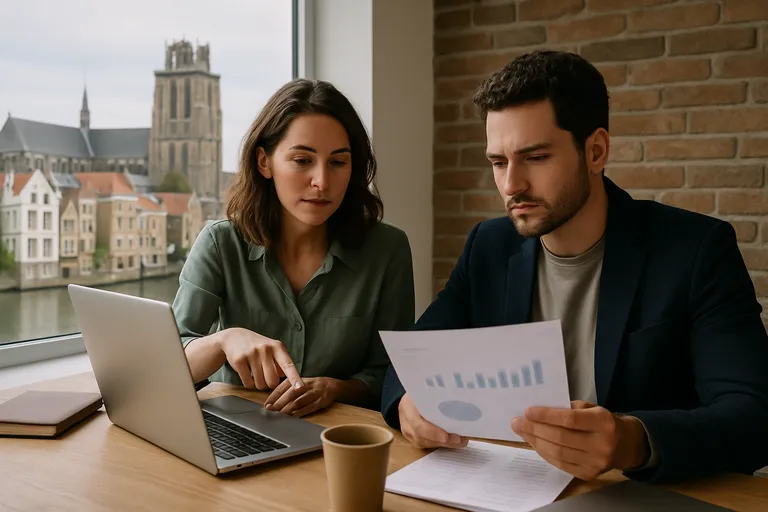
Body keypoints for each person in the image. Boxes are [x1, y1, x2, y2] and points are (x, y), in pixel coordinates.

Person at [381, 50, 768, 484]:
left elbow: (753, 418)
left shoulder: (696, 250)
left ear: (596, 150)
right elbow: (411, 356)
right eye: (498, 162)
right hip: (508, 487)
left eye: (536, 157)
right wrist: (406, 404)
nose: (511, 185)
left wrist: (632, 441)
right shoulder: (488, 246)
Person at [172, 78, 415, 418]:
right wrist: (222, 340)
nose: (322, 182)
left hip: (338, 437)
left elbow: (393, 375)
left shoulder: (388, 250)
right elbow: (167, 362)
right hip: (235, 431)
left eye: (338, 162)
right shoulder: (220, 243)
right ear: (264, 162)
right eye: (302, 160)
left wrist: (336, 388)